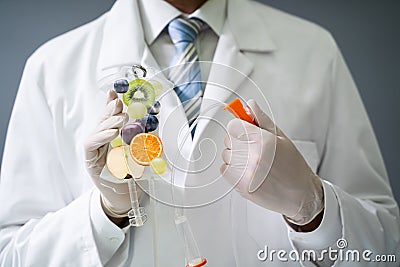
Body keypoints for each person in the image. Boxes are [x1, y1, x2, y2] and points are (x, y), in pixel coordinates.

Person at [0, 0, 399, 266]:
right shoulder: (52, 70)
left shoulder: (313, 52)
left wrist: (312, 206)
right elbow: (11, 255)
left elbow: (386, 250)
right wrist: (105, 212)